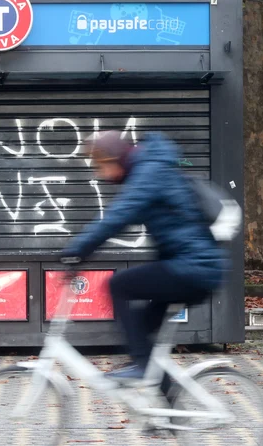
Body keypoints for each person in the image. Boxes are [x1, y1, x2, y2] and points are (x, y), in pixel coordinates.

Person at [61, 130, 229, 383]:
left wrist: (77, 251)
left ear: (114, 158)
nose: (100, 174)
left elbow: (118, 216)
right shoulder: (149, 169)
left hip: (194, 269)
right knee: (139, 329)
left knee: (118, 285)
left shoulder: (149, 173)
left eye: (101, 166)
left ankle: (143, 367)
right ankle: (166, 408)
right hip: (190, 267)